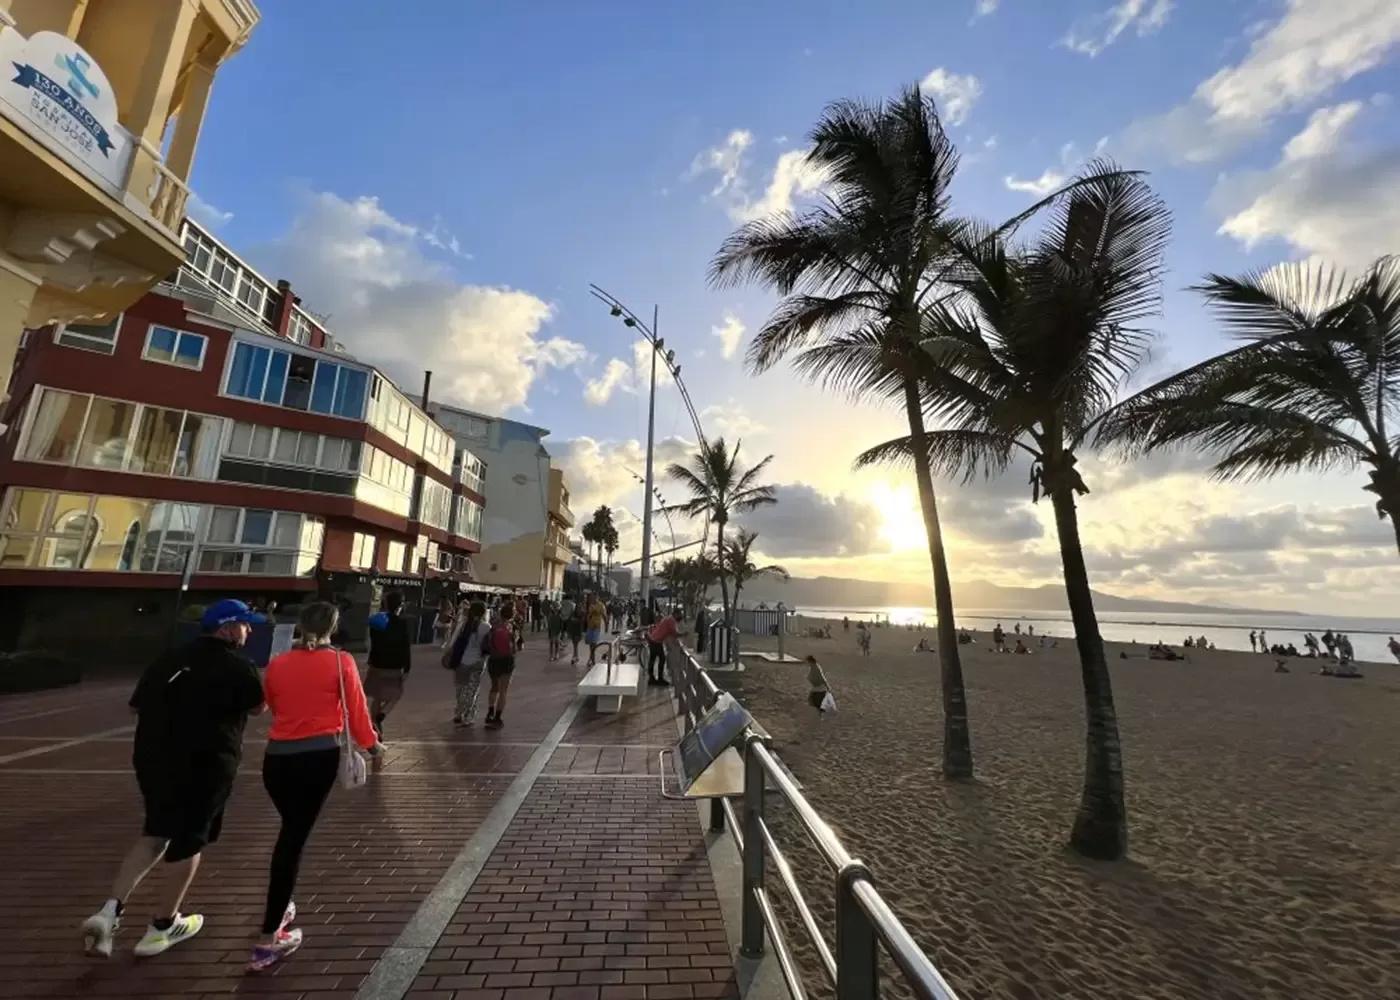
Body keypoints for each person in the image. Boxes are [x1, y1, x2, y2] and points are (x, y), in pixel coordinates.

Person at [82, 599, 266, 959]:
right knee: (189, 841)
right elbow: (258, 707)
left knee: (154, 832)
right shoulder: (238, 666)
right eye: (245, 624)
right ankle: (163, 925)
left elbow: (135, 706)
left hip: (153, 759)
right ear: (228, 629)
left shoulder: (169, 658)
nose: (250, 630)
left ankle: (110, 911)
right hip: (207, 762)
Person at [251, 602, 383, 971]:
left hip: (276, 759)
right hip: (317, 757)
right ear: (335, 627)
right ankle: (268, 938)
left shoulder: (279, 663)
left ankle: (282, 906)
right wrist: (371, 744)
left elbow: (274, 706)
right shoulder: (341, 662)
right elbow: (356, 709)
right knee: (291, 842)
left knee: (291, 831)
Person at [364, 592, 412, 739]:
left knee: (376, 696)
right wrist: (407, 667)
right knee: (396, 694)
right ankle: (381, 715)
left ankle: (376, 728)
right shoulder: (402, 623)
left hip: (377, 663)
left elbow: (372, 640)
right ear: (400, 606)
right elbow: (405, 647)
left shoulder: (376, 620)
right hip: (394, 665)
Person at [444, 600, 491, 726]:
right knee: (472, 690)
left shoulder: (463, 624)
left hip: (461, 661)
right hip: (478, 661)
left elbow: (452, 641)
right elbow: (488, 646)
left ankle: (459, 712)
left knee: (460, 688)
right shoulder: (486, 627)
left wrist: (448, 653)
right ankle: (468, 715)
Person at [483, 604, 518, 729]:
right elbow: (516, 647)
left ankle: (490, 712)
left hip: (493, 659)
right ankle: (497, 717)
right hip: (507, 660)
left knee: (494, 687)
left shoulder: (493, 626)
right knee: (503, 690)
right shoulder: (511, 627)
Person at [647, 608, 678, 686]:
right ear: (676, 614)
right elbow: (674, 633)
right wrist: (683, 634)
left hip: (653, 639)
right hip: (656, 641)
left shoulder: (666, 619)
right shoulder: (671, 620)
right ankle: (660, 679)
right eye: (680, 614)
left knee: (652, 659)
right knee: (662, 659)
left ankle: (651, 678)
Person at [585, 595, 607, 666]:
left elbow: (604, 616)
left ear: (597, 598)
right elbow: (588, 615)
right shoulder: (590, 605)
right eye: (592, 598)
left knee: (594, 644)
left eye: (594, 598)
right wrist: (587, 623)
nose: (592, 599)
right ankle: (591, 658)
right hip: (590, 627)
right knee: (591, 644)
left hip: (597, 627)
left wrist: (606, 626)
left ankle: (592, 660)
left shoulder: (601, 605)